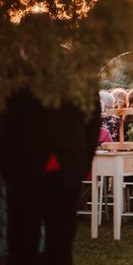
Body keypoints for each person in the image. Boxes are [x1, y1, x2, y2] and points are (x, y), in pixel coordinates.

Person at [1, 85, 100, 265]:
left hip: (66, 171)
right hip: (24, 169)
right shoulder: (16, 74)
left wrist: (81, 165)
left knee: (61, 244)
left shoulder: (80, 75)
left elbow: (92, 122)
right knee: (22, 244)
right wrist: (8, 167)